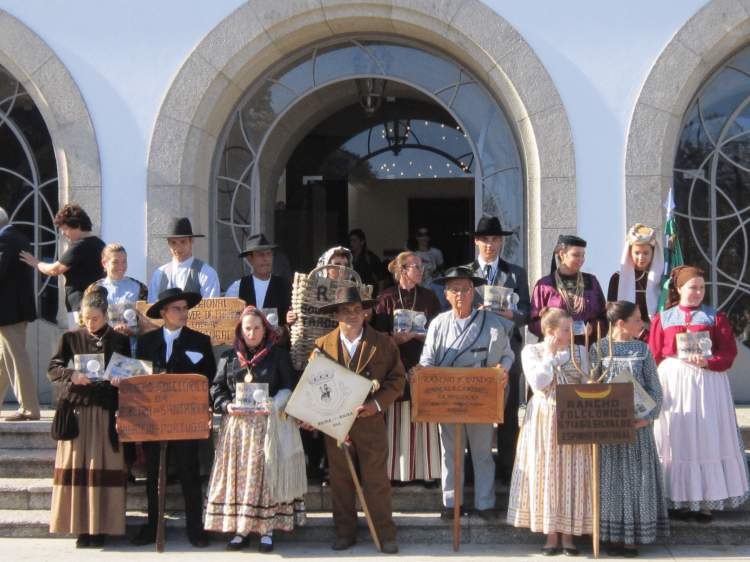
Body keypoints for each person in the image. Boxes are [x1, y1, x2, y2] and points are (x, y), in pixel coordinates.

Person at [303, 286, 406, 554]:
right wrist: (312, 415)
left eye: (357, 310)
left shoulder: (384, 343)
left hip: (370, 423)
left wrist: (376, 404)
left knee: (376, 480)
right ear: (336, 315)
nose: (352, 315)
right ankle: (344, 532)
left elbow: (397, 381)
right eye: (346, 311)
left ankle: (385, 534)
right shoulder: (322, 345)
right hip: (336, 425)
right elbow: (312, 384)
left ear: (366, 313)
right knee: (341, 480)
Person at [649, 265, 749, 522]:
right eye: (693, 287)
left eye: (702, 288)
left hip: (706, 383)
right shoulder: (664, 318)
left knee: (704, 437)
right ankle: (677, 497)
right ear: (679, 288)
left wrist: (710, 362)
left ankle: (704, 500)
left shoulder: (715, 317)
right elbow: (655, 353)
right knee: (676, 437)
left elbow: (728, 352)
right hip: (674, 383)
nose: (697, 292)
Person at [205, 307, 306, 552]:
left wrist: (275, 403)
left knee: (265, 477)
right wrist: (226, 405)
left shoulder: (278, 355)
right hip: (238, 428)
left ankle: (266, 531)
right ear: (240, 330)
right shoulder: (229, 357)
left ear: (265, 329)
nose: (252, 333)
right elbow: (217, 388)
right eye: (247, 328)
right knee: (240, 479)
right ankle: (241, 530)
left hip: (268, 426)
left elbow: (288, 386)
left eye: (257, 328)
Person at [418, 266, 513, 521]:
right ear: (446, 294)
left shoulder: (492, 322)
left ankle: (485, 503)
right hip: (447, 397)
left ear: (474, 293)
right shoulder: (438, 323)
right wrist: (424, 376)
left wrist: (503, 370)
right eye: (454, 290)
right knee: (451, 453)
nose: (460, 295)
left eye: (466, 289)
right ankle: (452, 503)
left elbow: (507, 354)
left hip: (479, 396)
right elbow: (427, 359)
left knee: (482, 453)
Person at [131, 288, 217, 548]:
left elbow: (208, 377)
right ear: (164, 313)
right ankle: (152, 526)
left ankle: (195, 528)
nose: (183, 313)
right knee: (154, 475)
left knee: (189, 473)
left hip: (185, 419)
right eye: (177, 308)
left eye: (184, 308)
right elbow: (139, 377)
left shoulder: (199, 341)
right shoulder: (147, 342)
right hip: (155, 419)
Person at [47, 285, 131, 548]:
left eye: (94, 318)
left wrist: (121, 380)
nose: (89, 323)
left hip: (106, 411)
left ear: (105, 315)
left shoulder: (118, 340)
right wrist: (72, 375)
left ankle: (103, 527)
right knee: (80, 469)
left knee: (104, 467)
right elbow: (53, 367)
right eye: (85, 318)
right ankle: (82, 528)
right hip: (78, 412)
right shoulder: (71, 337)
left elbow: (129, 368)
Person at [507, 307, 592, 556]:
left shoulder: (579, 351)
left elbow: (585, 379)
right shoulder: (532, 351)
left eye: (570, 329)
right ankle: (550, 535)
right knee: (547, 471)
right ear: (550, 331)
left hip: (573, 415)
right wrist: (550, 355)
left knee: (572, 473)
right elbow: (539, 383)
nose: (570, 334)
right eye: (566, 330)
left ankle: (569, 535)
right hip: (544, 417)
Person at [591, 301, 668, 556]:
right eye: (637, 319)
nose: (642, 323)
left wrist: (647, 418)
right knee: (610, 481)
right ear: (621, 323)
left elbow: (656, 390)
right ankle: (610, 535)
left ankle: (633, 539)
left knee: (637, 482)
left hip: (638, 430)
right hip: (609, 431)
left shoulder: (643, 350)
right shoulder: (599, 349)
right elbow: (591, 387)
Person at [466, 215, 530, 483]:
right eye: (485, 240)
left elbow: (526, 312)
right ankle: (470, 467)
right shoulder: (465, 272)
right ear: (477, 242)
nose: (490, 245)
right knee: (472, 407)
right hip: (473, 350)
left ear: (501, 242)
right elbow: (452, 309)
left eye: (495, 240)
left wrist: (508, 313)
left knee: (506, 410)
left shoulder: (515, 273)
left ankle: (506, 466)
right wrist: (472, 312)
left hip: (507, 347)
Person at [374, 252, 442, 485]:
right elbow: (377, 336)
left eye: (422, 267)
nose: (421, 271)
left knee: (423, 416)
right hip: (395, 364)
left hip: (422, 362)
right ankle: (396, 472)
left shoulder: (430, 298)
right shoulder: (386, 298)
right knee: (396, 419)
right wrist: (395, 339)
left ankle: (427, 472)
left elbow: (438, 331)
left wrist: (420, 336)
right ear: (402, 270)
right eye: (416, 267)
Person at [20, 203, 105, 327]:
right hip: (97, 302)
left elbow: (55, 270)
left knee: (80, 341)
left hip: (81, 303)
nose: (64, 234)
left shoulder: (79, 246)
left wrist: (35, 262)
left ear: (77, 225)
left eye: (65, 229)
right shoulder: (99, 243)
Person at [0, 207, 40, 421]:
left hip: (9, 312)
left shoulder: (5, 240)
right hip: (14, 310)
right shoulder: (17, 237)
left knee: (16, 359)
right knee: (4, 360)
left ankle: (29, 408)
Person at [529, 234, 606, 345]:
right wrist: (556, 330)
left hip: (585, 347)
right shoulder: (545, 285)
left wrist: (593, 328)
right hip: (555, 348)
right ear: (562, 254)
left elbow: (604, 317)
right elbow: (533, 322)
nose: (581, 260)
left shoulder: (591, 282)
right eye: (576, 255)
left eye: (583, 255)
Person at [607, 224, 663, 340]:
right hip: (624, 332)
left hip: (653, 331)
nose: (641, 257)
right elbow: (612, 310)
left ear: (653, 253)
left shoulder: (661, 279)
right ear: (629, 253)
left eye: (646, 253)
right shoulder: (617, 278)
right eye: (637, 253)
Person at [224, 234, 292, 329]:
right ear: (250, 259)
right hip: (247, 342)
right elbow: (228, 322)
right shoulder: (237, 288)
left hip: (277, 343)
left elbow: (292, 318)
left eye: (269, 254)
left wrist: (288, 321)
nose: (265, 259)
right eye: (261, 255)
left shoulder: (284, 286)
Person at [147, 217, 220, 302]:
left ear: (191, 241)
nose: (178, 247)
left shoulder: (206, 273)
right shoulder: (159, 274)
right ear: (168, 243)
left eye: (183, 242)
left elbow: (211, 309)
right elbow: (152, 307)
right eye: (173, 243)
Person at [349, 228, 388, 297]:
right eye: (351, 240)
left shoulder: (370, 258)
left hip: (368, 295)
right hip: (352, 295)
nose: (352, 243)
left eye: (354, 241)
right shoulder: (348, 258)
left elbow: (381, 279)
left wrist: (379, 296)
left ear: (362, 242)